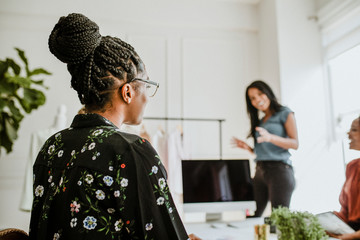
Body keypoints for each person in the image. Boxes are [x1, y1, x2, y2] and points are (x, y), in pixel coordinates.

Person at [29, 13, 200, 240]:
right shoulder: (132, 150)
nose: (148, 97)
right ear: (128, 91)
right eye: (147, 85)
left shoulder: (52, 146)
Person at [231, 80, 298, 217]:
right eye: (252, 98)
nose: (257, 100)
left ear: (268, 93)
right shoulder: (262, 120)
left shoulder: (285, 113)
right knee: (254, 215)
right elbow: (265, 151)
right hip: (260, 170)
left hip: (279, 171)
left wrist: (270, 138)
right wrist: (249, 148)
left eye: (260, 94)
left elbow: (295, 143)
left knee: (279, 219)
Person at [329, 117, 360, 240]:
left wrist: (353, 237)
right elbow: (345, 211)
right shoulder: (352, 167)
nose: (348, 133)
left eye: (354, 130)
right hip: (350, 231)